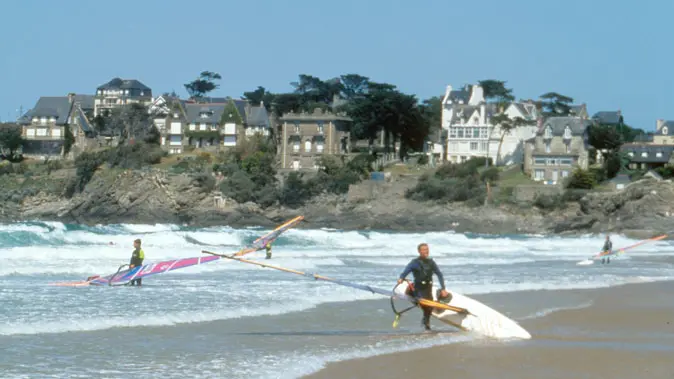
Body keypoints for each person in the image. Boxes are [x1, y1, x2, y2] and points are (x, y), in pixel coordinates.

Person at [397, 243, 449, 331]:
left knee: (430, 306)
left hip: (428, 287)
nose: (426, 251)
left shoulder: (431, 262)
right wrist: (401, 278)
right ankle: (426, 324)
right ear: (419, 251)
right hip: (419, 287)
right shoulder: (415, 262)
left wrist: (443, 288)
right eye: (424, 249)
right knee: (425, 304)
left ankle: (426, 322)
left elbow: (439, 274)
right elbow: (406, 270)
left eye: (427, 249)